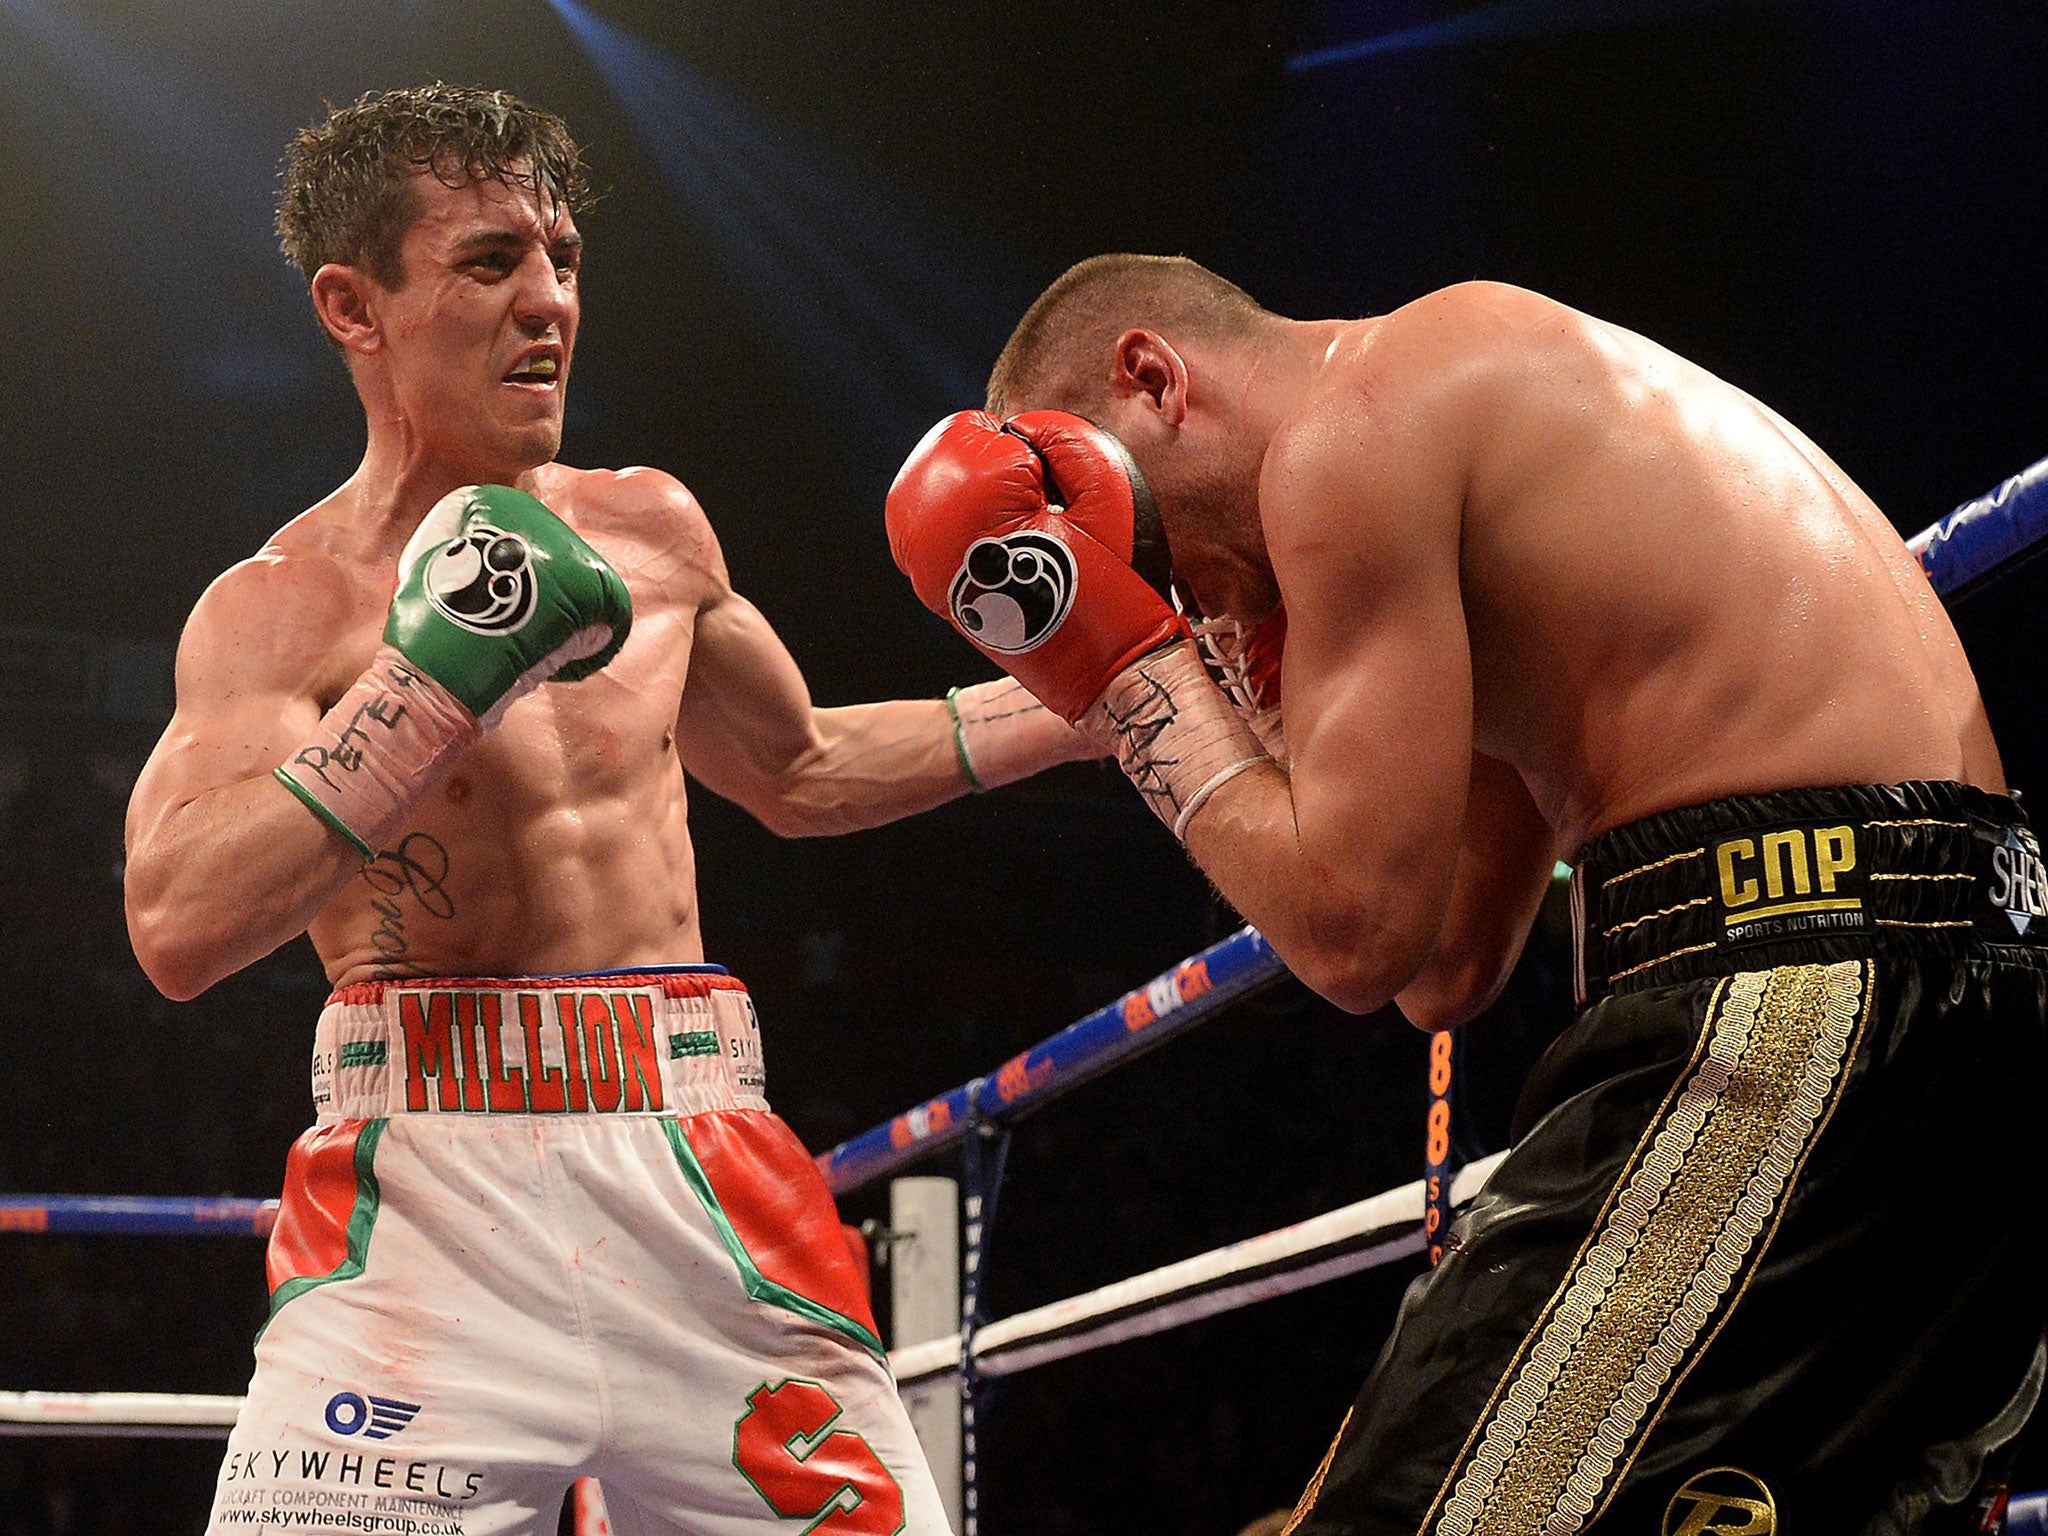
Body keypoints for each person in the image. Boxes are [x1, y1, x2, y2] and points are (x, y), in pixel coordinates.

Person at [884, 254, 2048, 1534]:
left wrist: (1131, 682)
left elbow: (1347, 936)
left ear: (1152, 377)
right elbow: (1442, 963)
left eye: (1136, 543)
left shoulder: (1348, 429)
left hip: (1801, 989)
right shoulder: (1476, 453)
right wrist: (1265, 717)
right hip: (1950, 977)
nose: (1169, 597)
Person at [123, 84, 1092, 1535]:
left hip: (705, 1172)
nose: (550, 302)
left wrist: (1112, 703)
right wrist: (428, 687)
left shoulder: (651, 527)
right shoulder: (276, 609)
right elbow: (178, 924)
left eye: (564, 259)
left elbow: (803, 767)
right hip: (421, 1210)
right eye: (490, 261)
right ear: (353, 303)